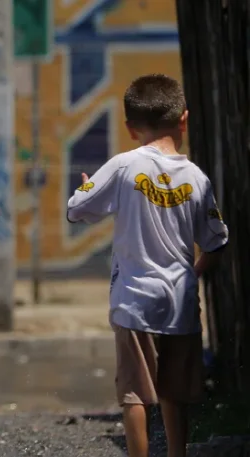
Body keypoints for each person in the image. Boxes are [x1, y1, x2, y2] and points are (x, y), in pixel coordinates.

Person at [67, 74, 229, 457]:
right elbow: (217, 240)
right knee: (175, 394)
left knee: (135, 394)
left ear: (129, 128)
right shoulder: (197, 178)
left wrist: (88, 187)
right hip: (180, 302)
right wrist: (195, 272)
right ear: (184, 119)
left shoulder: (123, 166)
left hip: (134, 300)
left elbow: (77, 210)